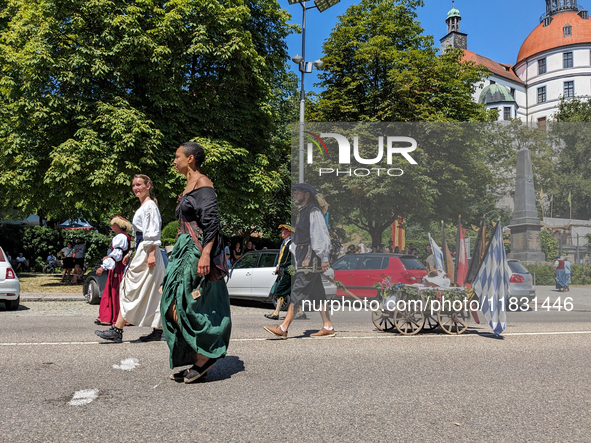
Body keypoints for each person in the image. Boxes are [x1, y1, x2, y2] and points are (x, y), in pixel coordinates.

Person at [160, 142, 232, 384]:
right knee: (170, 301)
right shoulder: (188, 185)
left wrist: (205, 255)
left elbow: (212, 222)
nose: (174, 160)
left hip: (195, 249)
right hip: (182, 250)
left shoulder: (203, 182)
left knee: (189, 304)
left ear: (190, 159)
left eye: (177, 156)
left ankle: (205, 356)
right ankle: (199, 354)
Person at [95, 174, 166, 343]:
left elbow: (152, 232)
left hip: (148, 250)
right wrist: (130, 253)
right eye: (134, 185)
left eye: (139, 184)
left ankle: (117, 330)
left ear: (148, 186)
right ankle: (159, 329)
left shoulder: (149, 206)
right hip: (144, 249)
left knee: (128, 288)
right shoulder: (145, 206)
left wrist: (150, 254)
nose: (135, 187)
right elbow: (140, 235)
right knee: (153, 290)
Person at [264, 183, 334, 339]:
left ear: (306, 194)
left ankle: (283, 327)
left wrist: (324, 257)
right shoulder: (302, 211)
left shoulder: (313, 211)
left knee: (297, 291)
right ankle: (328, 326)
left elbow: (320, 234)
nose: (294, 195)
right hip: (304, 256)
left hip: (309, 258)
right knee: (318, 294)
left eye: (297, 193)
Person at [94, 216, 132, 326]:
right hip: (117, 267)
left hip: (118, 268)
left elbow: (117, 256)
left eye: (113, 224)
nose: (111, 226)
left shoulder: (121, 237)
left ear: (118, 225)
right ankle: (110, 317)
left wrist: (103, 266)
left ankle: (115, 317)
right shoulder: (122, 236)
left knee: (116, 292)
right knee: (114, 291)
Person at [264, 224, 293, 320]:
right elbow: (281, 257)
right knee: (291, 291)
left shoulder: (292, 243)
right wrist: (278, 266)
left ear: (289, 232)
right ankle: (300, 312)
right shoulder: (284, 243)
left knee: (280, 290)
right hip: (282, 269)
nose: (281, 232)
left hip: (288, 270)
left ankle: (276, 313)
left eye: (283, 230)